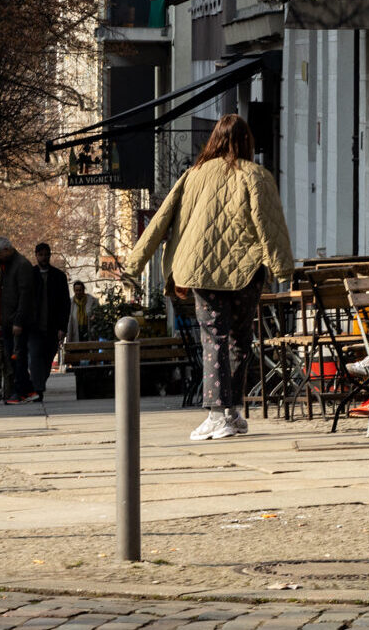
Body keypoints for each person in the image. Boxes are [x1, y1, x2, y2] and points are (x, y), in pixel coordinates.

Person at [123, 113, 294, 442]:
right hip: (247, 270)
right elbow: (271, 225)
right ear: (247, 142)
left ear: (214, 140)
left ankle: (217, 415)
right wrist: (282, 268)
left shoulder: (194, 175)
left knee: (214, 338)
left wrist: (134, 265)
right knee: (240, 340)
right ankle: (232, 411)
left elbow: (160, 220)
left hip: (201, 269)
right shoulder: (257, 176)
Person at [0, 238, 38, 403]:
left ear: (7, 249)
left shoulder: (21, 265)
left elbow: (25, 296)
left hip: (17, 321)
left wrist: (18, 321)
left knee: (18, 357)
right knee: (14, 357)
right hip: (9, 320)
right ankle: (27, 390)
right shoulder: (8, 265)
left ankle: (21, 391)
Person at [25, 243, 71, 400]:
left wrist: (63, 327)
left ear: (50, 255)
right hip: (34, 327)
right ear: (36, 255)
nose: (44, 258)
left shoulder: (59, 276)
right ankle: (38, 389)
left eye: (46, 254)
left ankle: (39, 384)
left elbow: (65, 304)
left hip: (53, 327)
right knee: (35, 357)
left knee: (47, 358)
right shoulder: (30, 275)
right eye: (41, 255)